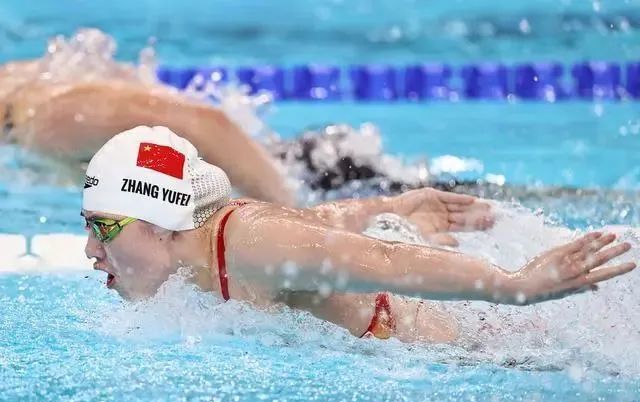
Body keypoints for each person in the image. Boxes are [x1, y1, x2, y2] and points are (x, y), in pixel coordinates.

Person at [82, 126, 636, 343]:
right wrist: (388, 205)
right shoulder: (211, 244)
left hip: (455, 341)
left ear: (165, 217)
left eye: (104, 228)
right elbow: (313, 229)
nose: (91, 251)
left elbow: (387, 262)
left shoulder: (247, 243)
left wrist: (514, 282)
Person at [0, 30, 294, 205]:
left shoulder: (46, 120)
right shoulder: (15, 82)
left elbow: (209, 125)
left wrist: (290, 219)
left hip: (302, 176)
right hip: (275, 162)